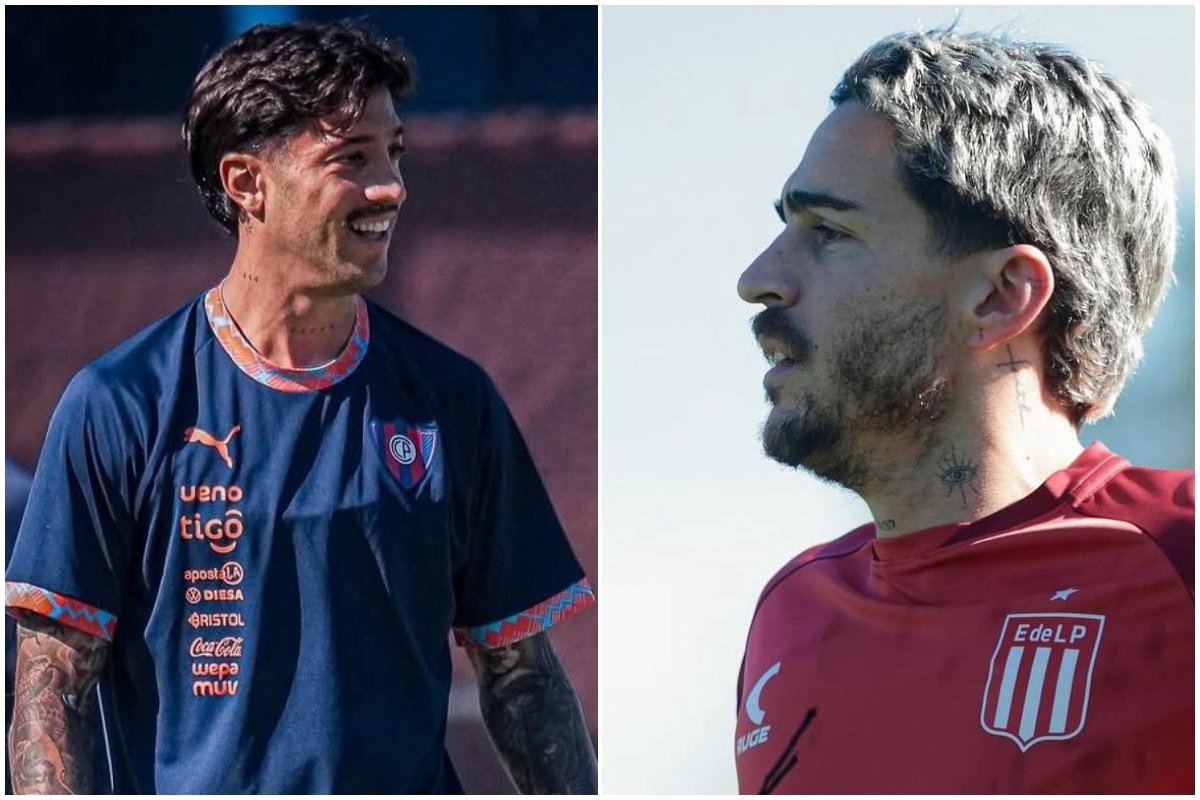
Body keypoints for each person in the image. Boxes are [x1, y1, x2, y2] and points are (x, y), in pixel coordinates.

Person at [5, 21, 596, 794]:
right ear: (248, 183)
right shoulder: (120, 404)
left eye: (395, 151)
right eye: (351, 158)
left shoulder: (452, 401)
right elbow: (51, 689)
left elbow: (523, 679)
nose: (390, 187)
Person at [734, 27, 1192, 794]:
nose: (759, 279)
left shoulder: (1181, 560)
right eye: (784, 227)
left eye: (830, 233)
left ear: (1000, 295)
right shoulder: (791, 611)